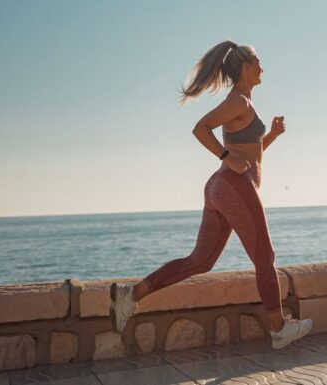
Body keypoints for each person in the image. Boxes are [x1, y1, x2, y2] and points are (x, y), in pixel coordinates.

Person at [109, 40, 312, 350]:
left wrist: (270, 136)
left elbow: (250, 155)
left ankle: (131, 295)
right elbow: (200, 128)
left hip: (222, 187)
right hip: (232, 186)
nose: (262, 68)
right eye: (258, 63)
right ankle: (279, 328)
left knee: (201, 261)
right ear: (245, 66)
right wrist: (224, 156)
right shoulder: (239, 102)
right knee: (265, 256)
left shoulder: (244, 102)